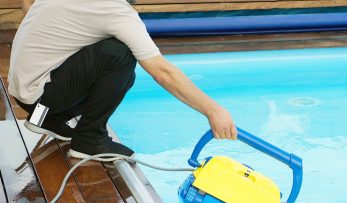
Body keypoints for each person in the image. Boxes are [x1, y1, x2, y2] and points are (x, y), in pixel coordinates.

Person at [10, 0, 237, 161]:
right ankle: (89, 140)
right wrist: (213, 110)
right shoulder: (113, 10)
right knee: (120, 55)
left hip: (28, 99)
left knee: (116, 64)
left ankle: (48, 120)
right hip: (41, 94)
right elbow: (162, 72)